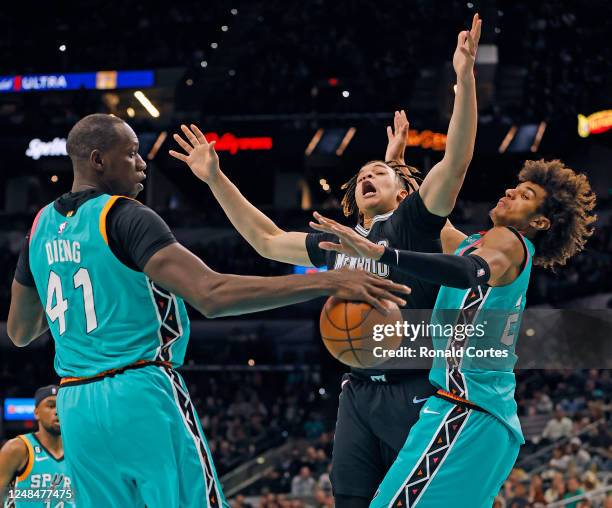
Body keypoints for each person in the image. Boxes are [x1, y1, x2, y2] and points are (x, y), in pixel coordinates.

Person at [6, 114, 409, 508]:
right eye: (131, 154)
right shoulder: (126, 216)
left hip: (76, 403)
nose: (143, 163)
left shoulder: (39, 227)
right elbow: (211, 294)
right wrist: (328, 282)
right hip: (138, 389)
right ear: (98, 160)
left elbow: (21, 332)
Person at [170, 16, 482, 507]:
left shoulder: (415, 223)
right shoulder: (340, 242)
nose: (368, 175)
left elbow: (457, 161)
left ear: (404, 190)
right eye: (362, 174)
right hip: (358, 391)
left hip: (417, 384)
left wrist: (464, 79)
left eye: (380, 172)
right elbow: (267, 240)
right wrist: (215, 179)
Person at [310, 158, 596, 506]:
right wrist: (396, 166)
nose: (509, 191)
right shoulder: (475, 241)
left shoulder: (510, 242)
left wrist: (384, 253)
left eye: (525, 195)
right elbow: (420, 217)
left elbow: (466, 271)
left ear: (539, 221)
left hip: (468, 410)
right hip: (470, 413)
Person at [0, 386, 74, 508]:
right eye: (51, 406)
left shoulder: (77, 451)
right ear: (36, 413)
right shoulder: (17, 448)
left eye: (62, 406)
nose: (57, 411)